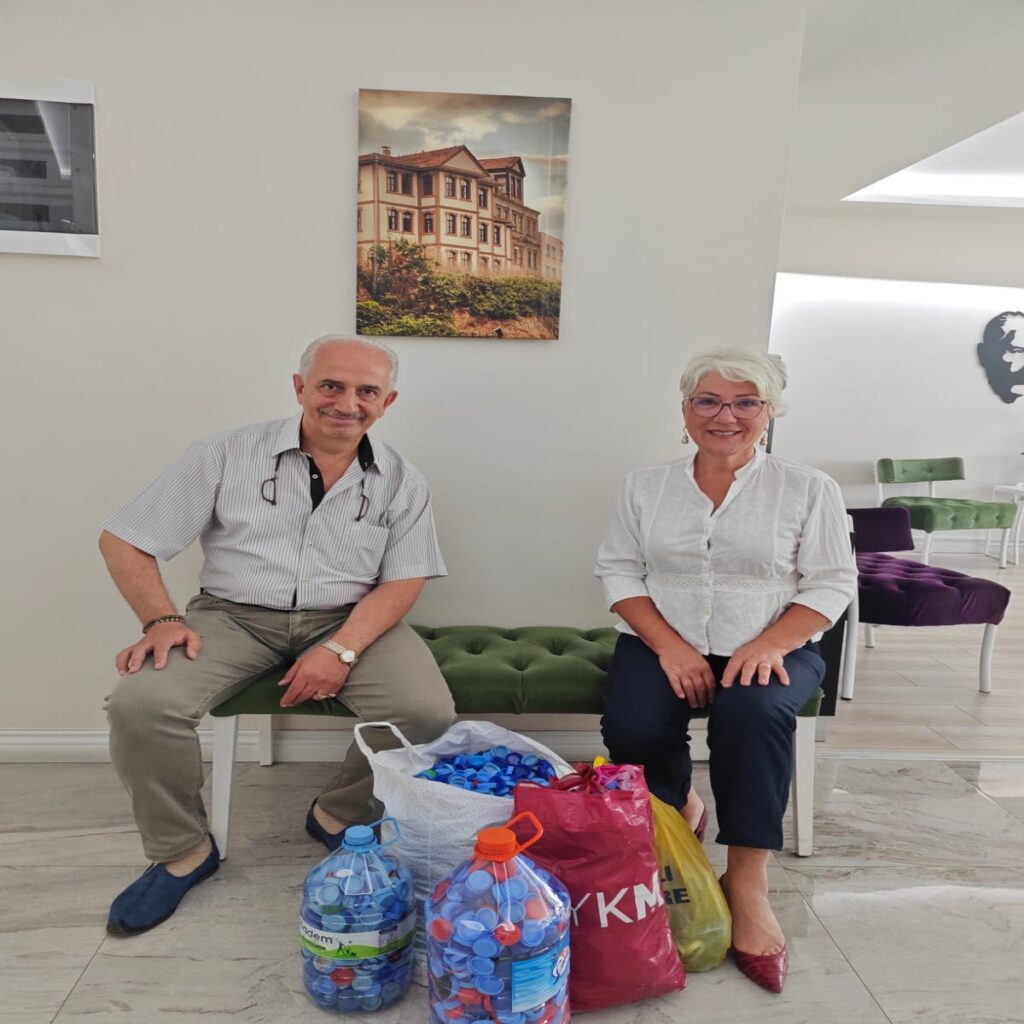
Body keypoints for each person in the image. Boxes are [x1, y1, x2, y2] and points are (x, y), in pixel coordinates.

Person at [99, 335, 455, 935]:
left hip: (349, 616)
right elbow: (126, 538)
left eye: (366, 391)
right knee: (140, 706)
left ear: (386, 402)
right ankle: (182, 851)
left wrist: (341, 648)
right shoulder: (223, 454)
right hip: (233, 616)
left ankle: (339, 813)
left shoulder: (402, 480)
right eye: (331, 385)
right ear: (299, 388)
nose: (347, 403)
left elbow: (403, 581)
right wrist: (161, 620)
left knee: (424, 712)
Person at [595, 348, 856, 993]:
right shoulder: (643, 486)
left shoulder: (809, 487)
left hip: (777, 641)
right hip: (664, 637)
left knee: (753, 714)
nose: (725, 416)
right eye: (708, 401)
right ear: (685, 409)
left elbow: (831, 582)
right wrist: (670, 648)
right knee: (634, 723)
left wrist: (770, 644)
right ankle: (677, 823)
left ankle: (746, 881)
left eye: (745, 403)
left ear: (770, 412)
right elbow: (620, 572)